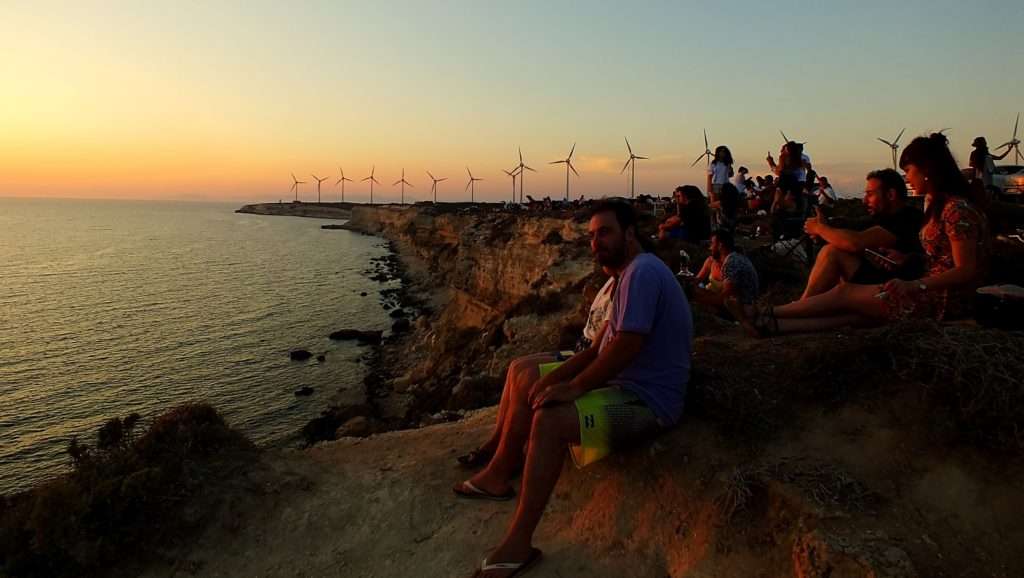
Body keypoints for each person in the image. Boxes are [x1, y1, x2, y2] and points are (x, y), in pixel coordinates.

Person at [455, 200, 692, 577]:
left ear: (630, 233)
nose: (595, 242)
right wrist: (555, 378)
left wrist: (576, 387)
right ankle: (504, 469)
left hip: (649, 403)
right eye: (592, 236)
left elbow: (628, 344)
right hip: (623, 388)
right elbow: (600, 347)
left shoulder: (643, 272)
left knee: (550, 421)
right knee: (539, 389)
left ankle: (518, 544)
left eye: (605, 232)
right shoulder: (628, 275)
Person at [752, 133, 988, 336]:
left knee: (845, 294)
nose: (908, 177)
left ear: (926, 169)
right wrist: (907, 259)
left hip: (942, 300)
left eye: (908, 170)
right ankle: (774, 326)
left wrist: (916, 285)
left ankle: (768, 312)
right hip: (929, 291)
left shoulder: (955, 210)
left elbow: (966, 269)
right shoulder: (937, 206)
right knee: (855, 318)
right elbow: (940, 257)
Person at [456, 267, 617, 468]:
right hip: (579, 348)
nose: (594, 245)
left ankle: (507, 461)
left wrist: (561, 381)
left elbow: (596, 351)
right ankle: (495, 443)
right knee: (516, 367)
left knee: (527, 377)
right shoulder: (611, 279)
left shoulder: (624, 286)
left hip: (587, 357)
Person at [800, 168, 924, 299]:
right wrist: (826, 230)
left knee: (833, 252)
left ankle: (801, 306)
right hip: (883, 281)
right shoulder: (881, 218)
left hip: (896, 287)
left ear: (891, 195)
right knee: (836, 246)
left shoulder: (907, 218)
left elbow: (855, 242)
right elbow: (852, 227)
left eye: (870, 194)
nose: (864, 200)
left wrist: (820, 229)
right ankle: (804, 307)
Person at [691, 229, 759, 321]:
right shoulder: (733, 258)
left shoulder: (732, 263)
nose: (709, 247)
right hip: (738, 305)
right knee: (694, 291)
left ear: (720, 245)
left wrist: (695, 299)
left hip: (743, 310)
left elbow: (724, 299)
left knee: (697, 300)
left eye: (711, 243)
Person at [707, 146, 734, 225]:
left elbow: (730, 175)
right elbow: (709, 176)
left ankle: (722, 222)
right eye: (721, 151)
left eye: (724, 152)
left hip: (725, 185)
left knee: (724, 205)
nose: (722, 153)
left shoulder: (727, 164)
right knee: (714, 206)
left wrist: (730, 169)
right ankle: (713, 222)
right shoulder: (713, 164)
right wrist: (709, 189)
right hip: (715, 185)